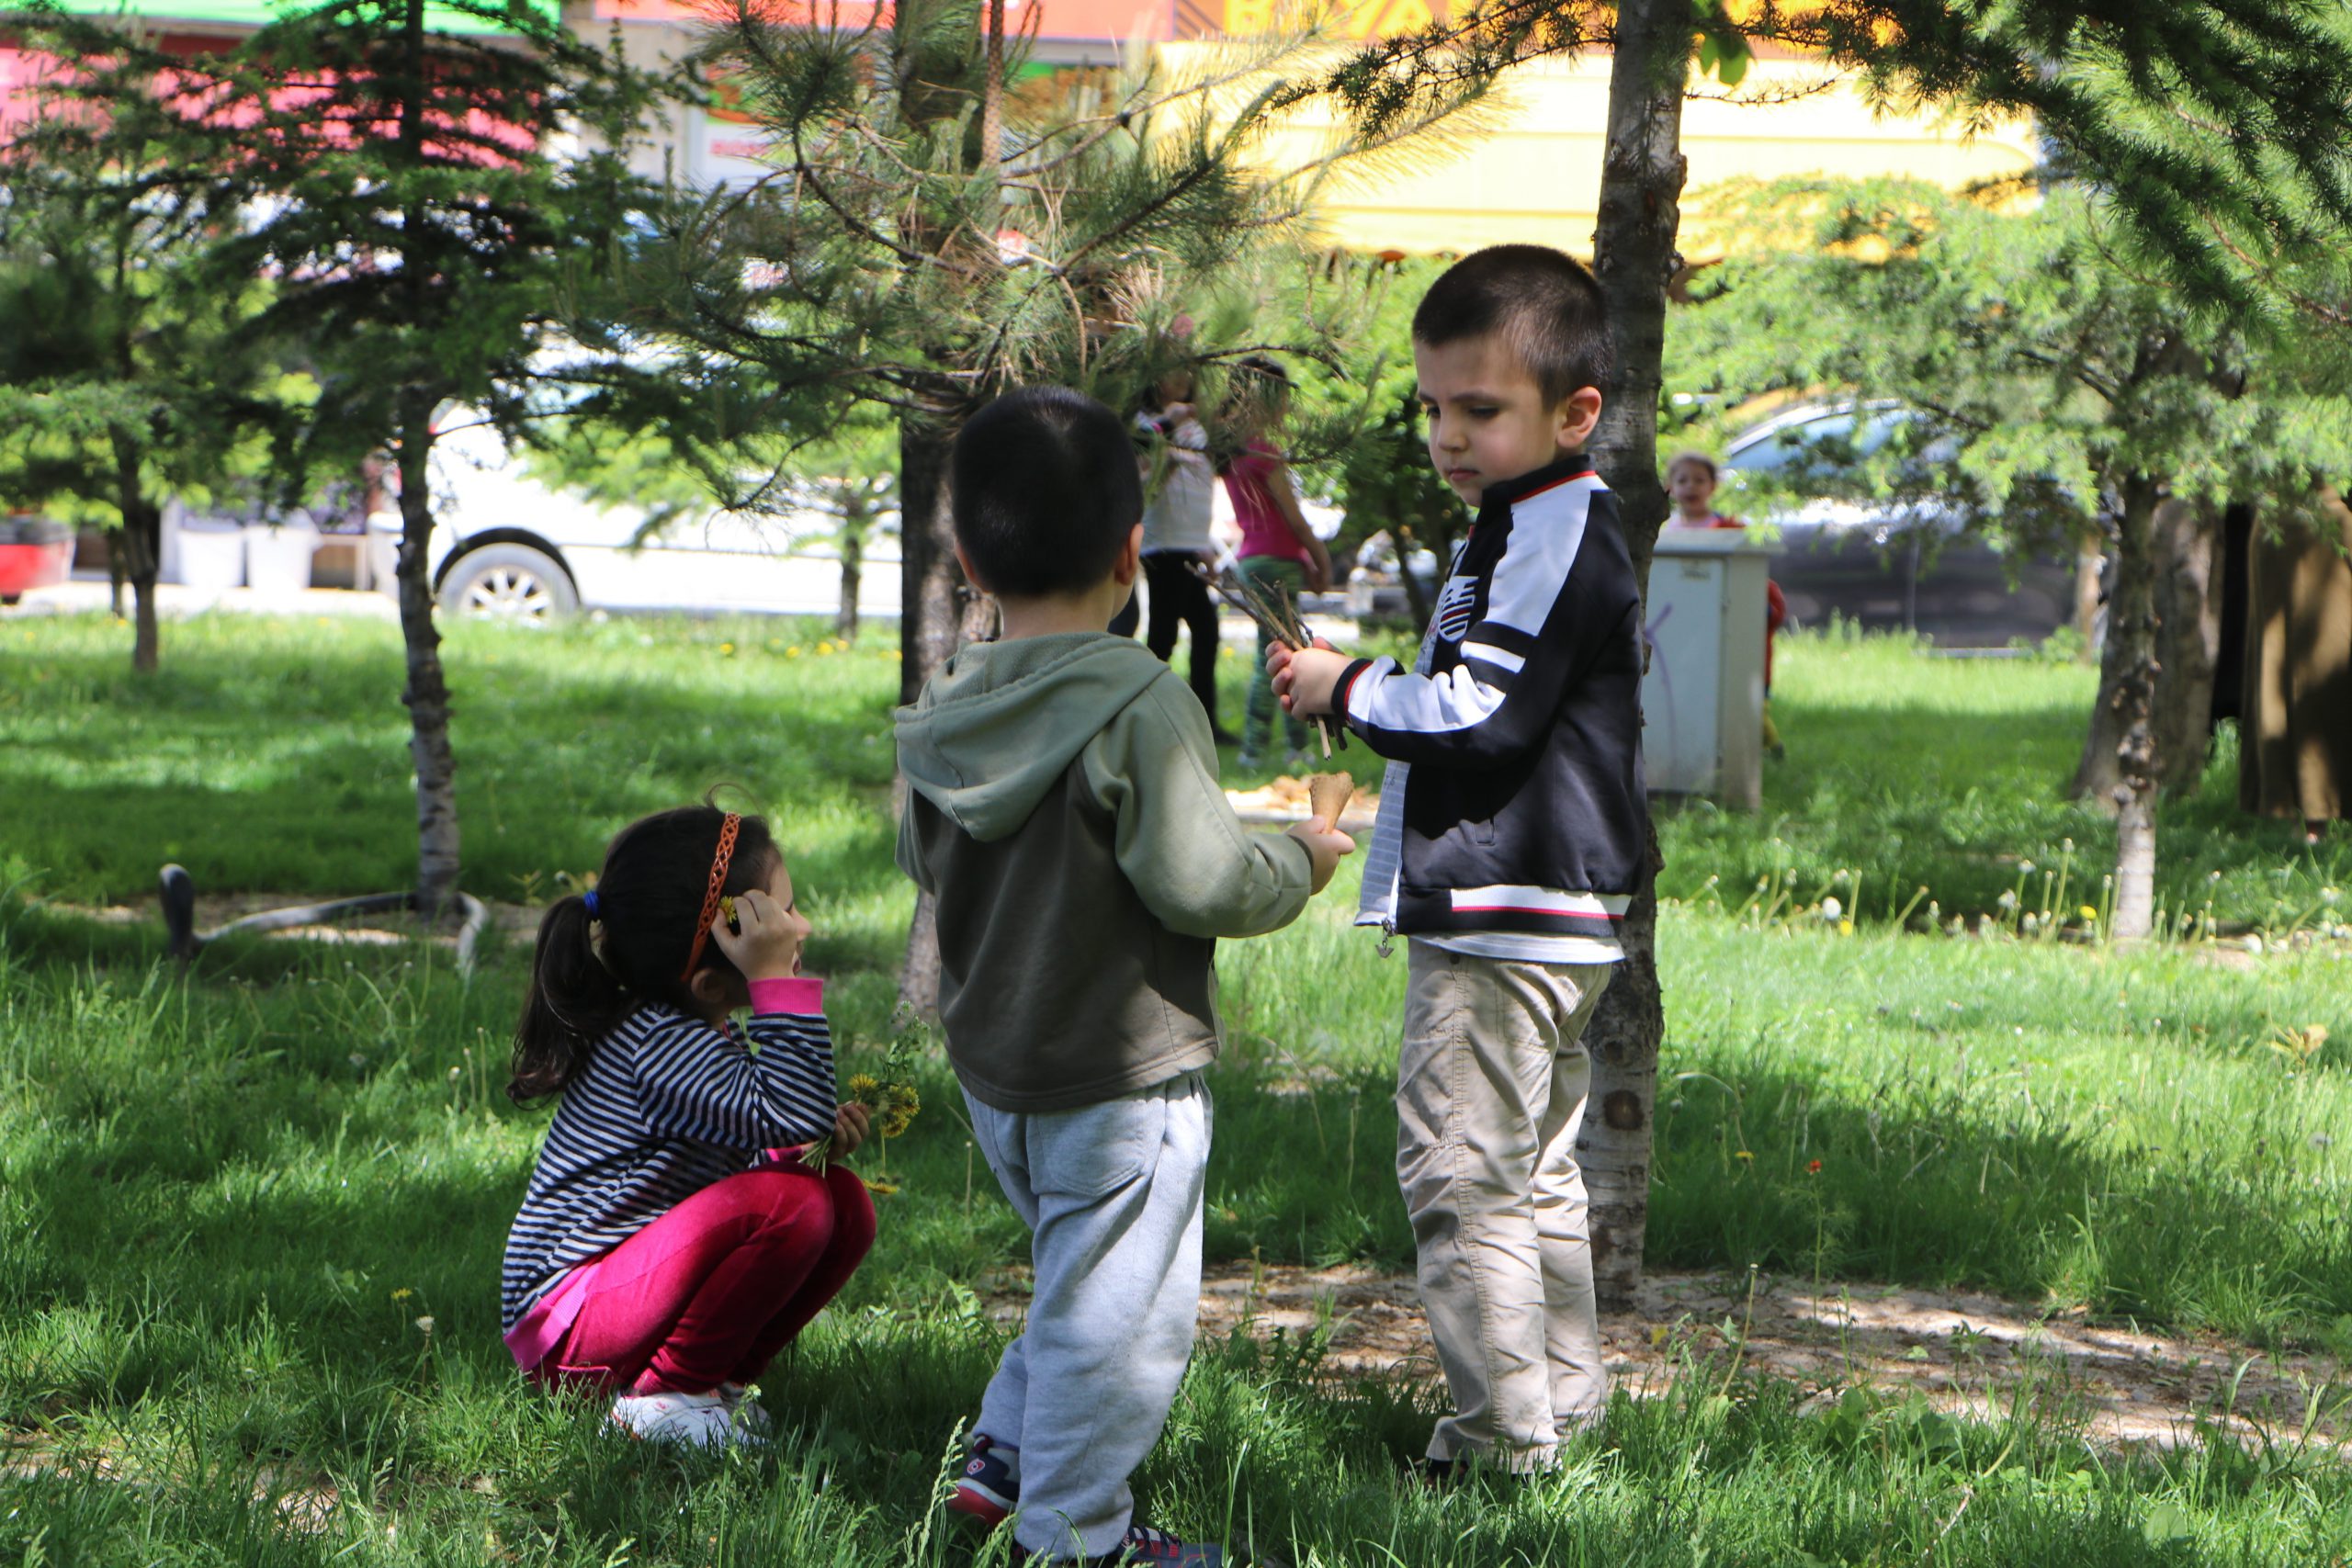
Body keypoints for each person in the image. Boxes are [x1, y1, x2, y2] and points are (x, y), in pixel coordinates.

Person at [896, 386, 1354, 1565]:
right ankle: (1076, 1537)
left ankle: (1004, 1456)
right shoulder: (1139, 699)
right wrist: (1298, 859)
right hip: (1119, 1080)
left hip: (995, 1067)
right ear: (1130, 554)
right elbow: (1201, 883)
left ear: (965, 557)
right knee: (1123, 1320)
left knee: (1075, 1269)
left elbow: (924, 859)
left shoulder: (945, 705)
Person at [1271, 244, 1645, 1479]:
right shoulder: (1532, 521)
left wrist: (1350, 683)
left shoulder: (1549, 530)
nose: (1447, 432)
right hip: (1553, 912)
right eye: (1434, 405)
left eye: (1479, 409)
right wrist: (1370, 686)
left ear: (1574, 411)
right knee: (1532, 1173)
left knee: (1461, 1172)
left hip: (1506, 916)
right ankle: (1563, 1411)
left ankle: (1498, 1445)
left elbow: (1484, 713)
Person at [500, 806, 876, 1449]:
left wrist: (805, 1140)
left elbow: (767, 1129)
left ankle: (717, 1387)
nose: (799, 927)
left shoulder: (695, 1027)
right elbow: (787, 1114)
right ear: (707, 981)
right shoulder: (658, 1044)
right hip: (569, 1327)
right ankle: (667, 1397)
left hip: (623, 1295)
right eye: (777, 921)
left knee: (843, 1204)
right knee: (795, 1205)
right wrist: (775, 982)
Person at [1218, 356, 1332, 771]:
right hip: (1276, 567)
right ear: (1265, 398)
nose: (1286, 406)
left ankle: (1272, 747)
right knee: (1286, 657)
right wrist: (1321, 560)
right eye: (1282, 397)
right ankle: (1271, 749)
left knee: (1279, 653)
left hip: (1255, 562)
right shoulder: (1264, 450)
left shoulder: (1232, 451)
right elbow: (1294, 519)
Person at [1666, 448, 1787, 755]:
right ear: (1669, 487)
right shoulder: (1664, 532)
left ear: (1712, 487)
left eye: (1699, 480)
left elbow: (1749, 579)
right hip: (1681, 624)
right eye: (1682, 480)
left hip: (1720, 622)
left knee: (1734, 689)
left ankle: (1767, 745)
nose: (1690, 486)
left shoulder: (1731, 530)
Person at [1136, 369, 1234, 741]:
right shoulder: (1147, 424)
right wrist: (1169, 431)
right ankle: (1146, 718)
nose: (1181, 379)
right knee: (1163, 637)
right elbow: (1142, 474)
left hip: (1191, 542)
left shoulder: (1196, 427)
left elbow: (1198, 486)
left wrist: (1204, 540)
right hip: (1163, 544)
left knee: (1206, 633)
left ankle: (1204, 722)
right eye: (1172, 372)